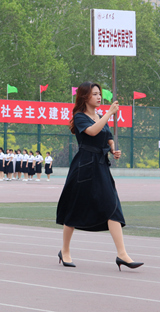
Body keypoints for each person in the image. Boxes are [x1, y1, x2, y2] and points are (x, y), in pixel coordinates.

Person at [56, 81, 143, 271]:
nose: (99, 97)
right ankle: (65, 250)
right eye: (95, 94)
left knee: (112, 205)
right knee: (74, 208)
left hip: (101, 166)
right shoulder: (80, 116)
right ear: (85, 96)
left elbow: (107, 136)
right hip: (84, 167)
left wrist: (113, 149)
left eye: (99, 94)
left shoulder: (100, 116)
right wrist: (110, 114)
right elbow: (93, 131)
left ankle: (122, 254)